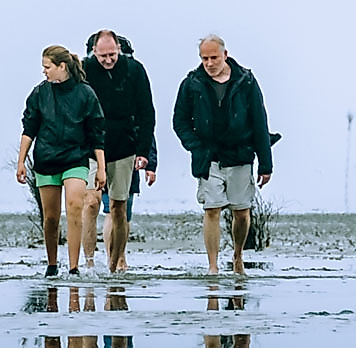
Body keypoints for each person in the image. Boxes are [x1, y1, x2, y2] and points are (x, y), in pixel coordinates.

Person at [173, 35, 276, 275]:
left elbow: (260, 121)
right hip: (208, 156)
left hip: (240, 154)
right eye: (204, 58)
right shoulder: (192, 83)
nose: (209, 63)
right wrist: (195, 146)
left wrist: (265, 163)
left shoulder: (246, 81)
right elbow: (179, 120)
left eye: (213, 58)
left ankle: (238, 254)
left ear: (225, 55)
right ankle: (213, 266)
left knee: (241, 212)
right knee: (212, 209)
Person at [16, 45, 106, 277]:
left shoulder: (86, 94)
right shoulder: (39, 93)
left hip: (76, 157)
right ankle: (52, 264)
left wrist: (101, 169)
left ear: (62, 66)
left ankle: (74, 267)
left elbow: (97, 134)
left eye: (47, 67)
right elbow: (29, 129)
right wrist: (21, 161)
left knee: (75, 205)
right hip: (46, 159)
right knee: (51, 216)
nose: (44, 72)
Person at [84, 30, 158, 274]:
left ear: (119, 50)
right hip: (92, 146)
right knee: (91, 202)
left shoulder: (135, 70)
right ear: (94, 52)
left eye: (112, 54)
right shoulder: (85, 70)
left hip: (125, 145)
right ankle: (88, 262)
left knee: (119, 207)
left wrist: (144, 153)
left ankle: (116, 263)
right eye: (103, 55)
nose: (108, 59)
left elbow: (147, 113)